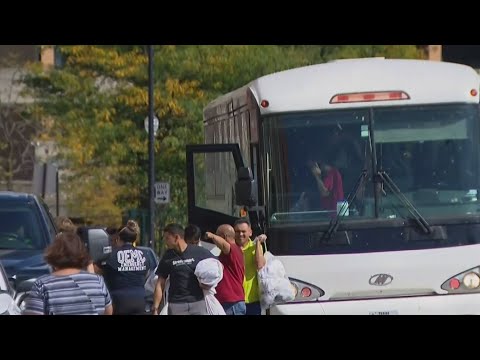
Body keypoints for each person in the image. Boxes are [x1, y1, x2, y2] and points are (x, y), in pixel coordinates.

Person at [23, 231, 113, 315]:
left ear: (53, 253)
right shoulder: (98, 282)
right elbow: (108, 312)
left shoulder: (42, 285)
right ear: (81, 253)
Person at [151, 223, 215, 315]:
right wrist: (155, 307)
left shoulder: (199, 252)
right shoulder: (168, 256)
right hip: (176, 305)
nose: (165, 241)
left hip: (198, 303)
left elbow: (217, 267)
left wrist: (208, 283)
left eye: (167, 238)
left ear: (176, 238)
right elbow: (160, 283)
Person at [99, 220, 155, 315]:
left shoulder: (112, 256)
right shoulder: (144, 255)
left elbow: (101, 272)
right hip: (140, 299)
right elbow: (146, 274)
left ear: (119, 239)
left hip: (119, 301)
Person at [205, 224, 246, 315]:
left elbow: (224, 245)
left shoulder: (234, 249)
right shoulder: (231, 252)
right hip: (230, 302)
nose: (214, 242)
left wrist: (212, 235)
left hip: (232, 303)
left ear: (224, 236)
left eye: (217, 235)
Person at [233, 218, 266, 315]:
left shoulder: (255, 247)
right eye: (237, 231)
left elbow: (260, 265)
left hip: (253, 300)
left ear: (250, 232)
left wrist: (258, 244)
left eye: (243, 231)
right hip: (235, 301)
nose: (240, 234)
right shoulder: (230, 248)